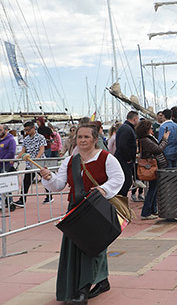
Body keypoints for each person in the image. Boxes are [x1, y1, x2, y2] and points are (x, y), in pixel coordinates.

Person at [41, 124, 124, 304]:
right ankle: (101, 281)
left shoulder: (106, 158)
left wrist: (103, 189)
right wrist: (49, 178)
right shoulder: (70, 160)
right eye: (80, 137)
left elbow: (119, 178)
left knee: (92, 248)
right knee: (79, 248)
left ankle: (83, 289)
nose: (83, 140)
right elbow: (59, 184)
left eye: (87, 137)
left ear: (95, 139)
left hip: (96, 208)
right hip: (75, 209)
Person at [135, 119, 169, 220]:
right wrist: (165, 140)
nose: (152, 129)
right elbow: (158, 149)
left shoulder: (146, 139)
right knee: (153, 189)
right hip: (153, 165)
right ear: (146, 130)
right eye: (150, 128)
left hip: (153, 164)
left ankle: (152, 209)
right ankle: (146, 212)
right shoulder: (146, 140)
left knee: (154, 188)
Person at [13, 121, 48, 206]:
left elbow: (42, 150)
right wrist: (16, 159)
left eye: (28, 130)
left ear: (33, 128)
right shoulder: (26, 139)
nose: (27, 132)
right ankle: (22, 200)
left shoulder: (40, 137)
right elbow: (23, 151)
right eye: (25, 130)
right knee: (26, 182)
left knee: (45, 180)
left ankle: (49, 196)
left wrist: (36, 159)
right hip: (29, 165)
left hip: (39, 163)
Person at [114, 111, 139, 197]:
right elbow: (122, 145)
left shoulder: (125, 128)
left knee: (127, 182)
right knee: (126, 182)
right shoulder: (127, 129)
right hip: (124, 161)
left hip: (123, 160)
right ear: (135, 119)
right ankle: (120, 202)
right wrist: (128, 158)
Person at [0, 125, 17, 211]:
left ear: (6, 130)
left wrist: (2, 160)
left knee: (5, 185)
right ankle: (1, 203)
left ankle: (10, 202)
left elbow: (11, 152)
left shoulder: (11, 140)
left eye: (0, 130)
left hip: (6, 165)